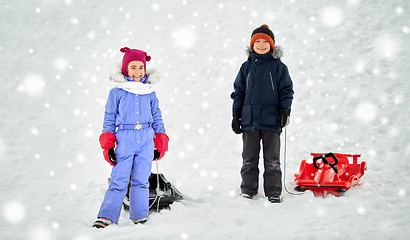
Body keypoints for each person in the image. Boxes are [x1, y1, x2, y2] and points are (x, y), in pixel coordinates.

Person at [93, 47, 169, 228]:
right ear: (126, 69)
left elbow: (157, 117)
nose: (137, 71)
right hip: (125, 139)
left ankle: (139, 216)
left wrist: (160, 141)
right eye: (133, 67)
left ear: (145, 69)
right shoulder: (117, 92)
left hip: (145, 139)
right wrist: (108, 145)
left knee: (141, 180)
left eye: (140, 67)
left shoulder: (149, 92)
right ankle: (107, 217)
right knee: (119, 179)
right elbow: (109, 118)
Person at [231, 24, 294, 203]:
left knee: (272, 160)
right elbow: (238, 91)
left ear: (271, 45)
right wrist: (236, 114)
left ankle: (273, 192)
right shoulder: (246, 67)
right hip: (250, 120)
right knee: (249, 159)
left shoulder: (279, 67)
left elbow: (286, 90)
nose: (260, 45)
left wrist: (285, 110)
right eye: (257, 41)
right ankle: (248, 190)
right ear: (252, 45)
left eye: (264, 41)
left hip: (271, 121)